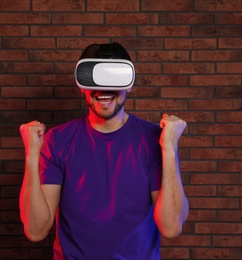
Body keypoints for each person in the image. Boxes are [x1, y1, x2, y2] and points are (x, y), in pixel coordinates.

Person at [19, 42, 189, 259]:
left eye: (113, 78)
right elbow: (35, 230)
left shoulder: (156, 140)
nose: (103, 89)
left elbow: (171, 227)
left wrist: (170, 149)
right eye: (94, 79)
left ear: (128, 84)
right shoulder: (57, 141)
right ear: (82, 85)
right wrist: (31, 155)